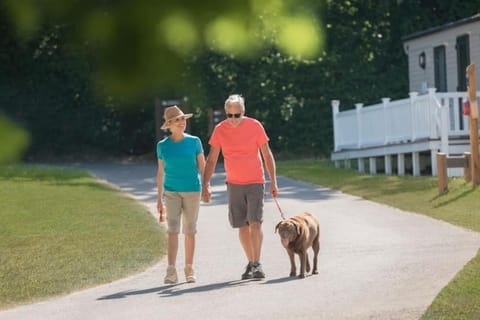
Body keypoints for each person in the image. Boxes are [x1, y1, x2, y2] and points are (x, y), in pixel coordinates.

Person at [202, 94, 278, 280]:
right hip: (234, 183)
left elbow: (267, 155)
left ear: (243, 112)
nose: (233, 119)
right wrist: (205, 184)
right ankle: (251, 261)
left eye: (237, 115)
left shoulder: (255, 126)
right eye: (230, 115)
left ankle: (257, 263)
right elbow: (211, 159)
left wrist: (273, 181)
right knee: (242, 226)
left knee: (255, 222)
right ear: (226, 113)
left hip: (255, 181)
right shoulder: (220, 130)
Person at [157, 105, 206, 284]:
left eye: (183, 119)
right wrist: (158, 198)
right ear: (169, 124)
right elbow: (160, 173)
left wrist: (207, 186)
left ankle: (189, 268)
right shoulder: (162, 146)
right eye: (177, 120)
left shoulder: (194, 142)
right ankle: (171, 270)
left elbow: (202, 165)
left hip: (193, 190)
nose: (182, 122)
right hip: (171, 192)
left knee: (190, 231)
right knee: (172, 230)